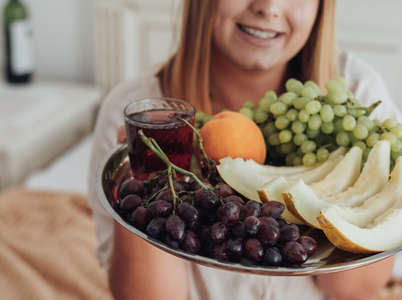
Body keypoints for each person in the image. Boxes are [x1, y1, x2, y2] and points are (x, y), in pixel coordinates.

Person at [88, 1, 400, 299]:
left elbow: (354, 290)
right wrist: (148, 175)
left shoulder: (356, 94)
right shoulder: (135, 113)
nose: (268, 6)